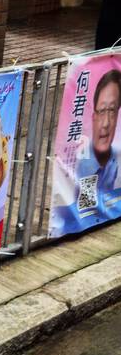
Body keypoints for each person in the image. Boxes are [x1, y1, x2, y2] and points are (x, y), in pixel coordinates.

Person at [52, 68, 121, 235]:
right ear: (93, 117)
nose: (106, 123)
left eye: (112, 111)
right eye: (102, 110)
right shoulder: (81, 163)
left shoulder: (116, 159)